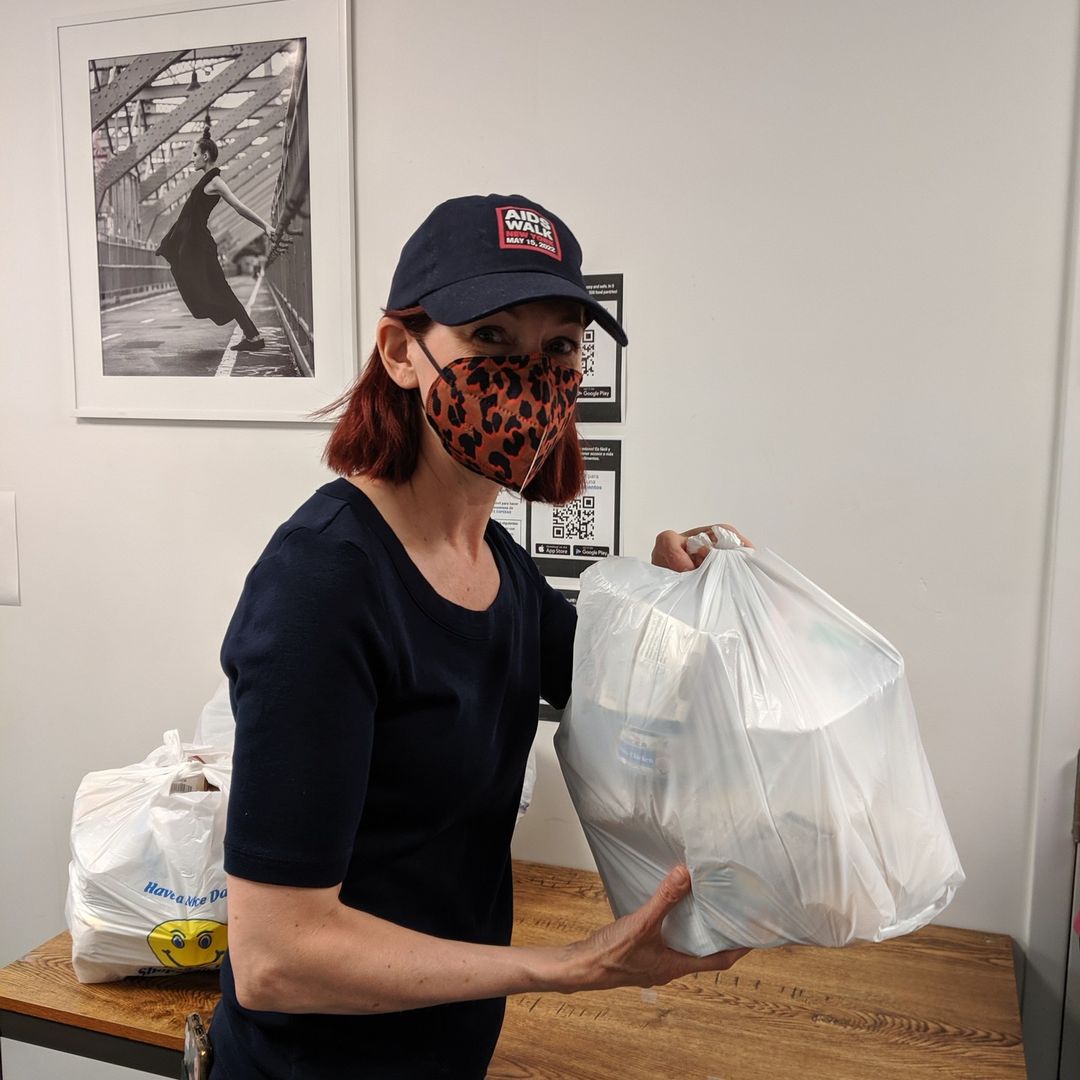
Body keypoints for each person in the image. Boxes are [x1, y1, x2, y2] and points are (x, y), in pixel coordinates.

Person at [207, 193, 755, 1079]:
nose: (528, 377)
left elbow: (639, 708)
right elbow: (277, 958)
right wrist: (574, 965)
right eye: (491, 337)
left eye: (558, 349)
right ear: (401, 351)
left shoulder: (500, 566)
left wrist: (684, 601)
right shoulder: (324, 584)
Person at [154, 126, 272, 352]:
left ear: (206, 156)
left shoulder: (216, 182)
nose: (192, 159)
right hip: (195, 245)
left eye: (195, 154)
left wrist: (264, 225)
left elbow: (239, 207)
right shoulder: (206, 180)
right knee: (213, 288)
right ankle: (252, 336)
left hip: (200, 247)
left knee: (220, 289)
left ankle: (254, 337)